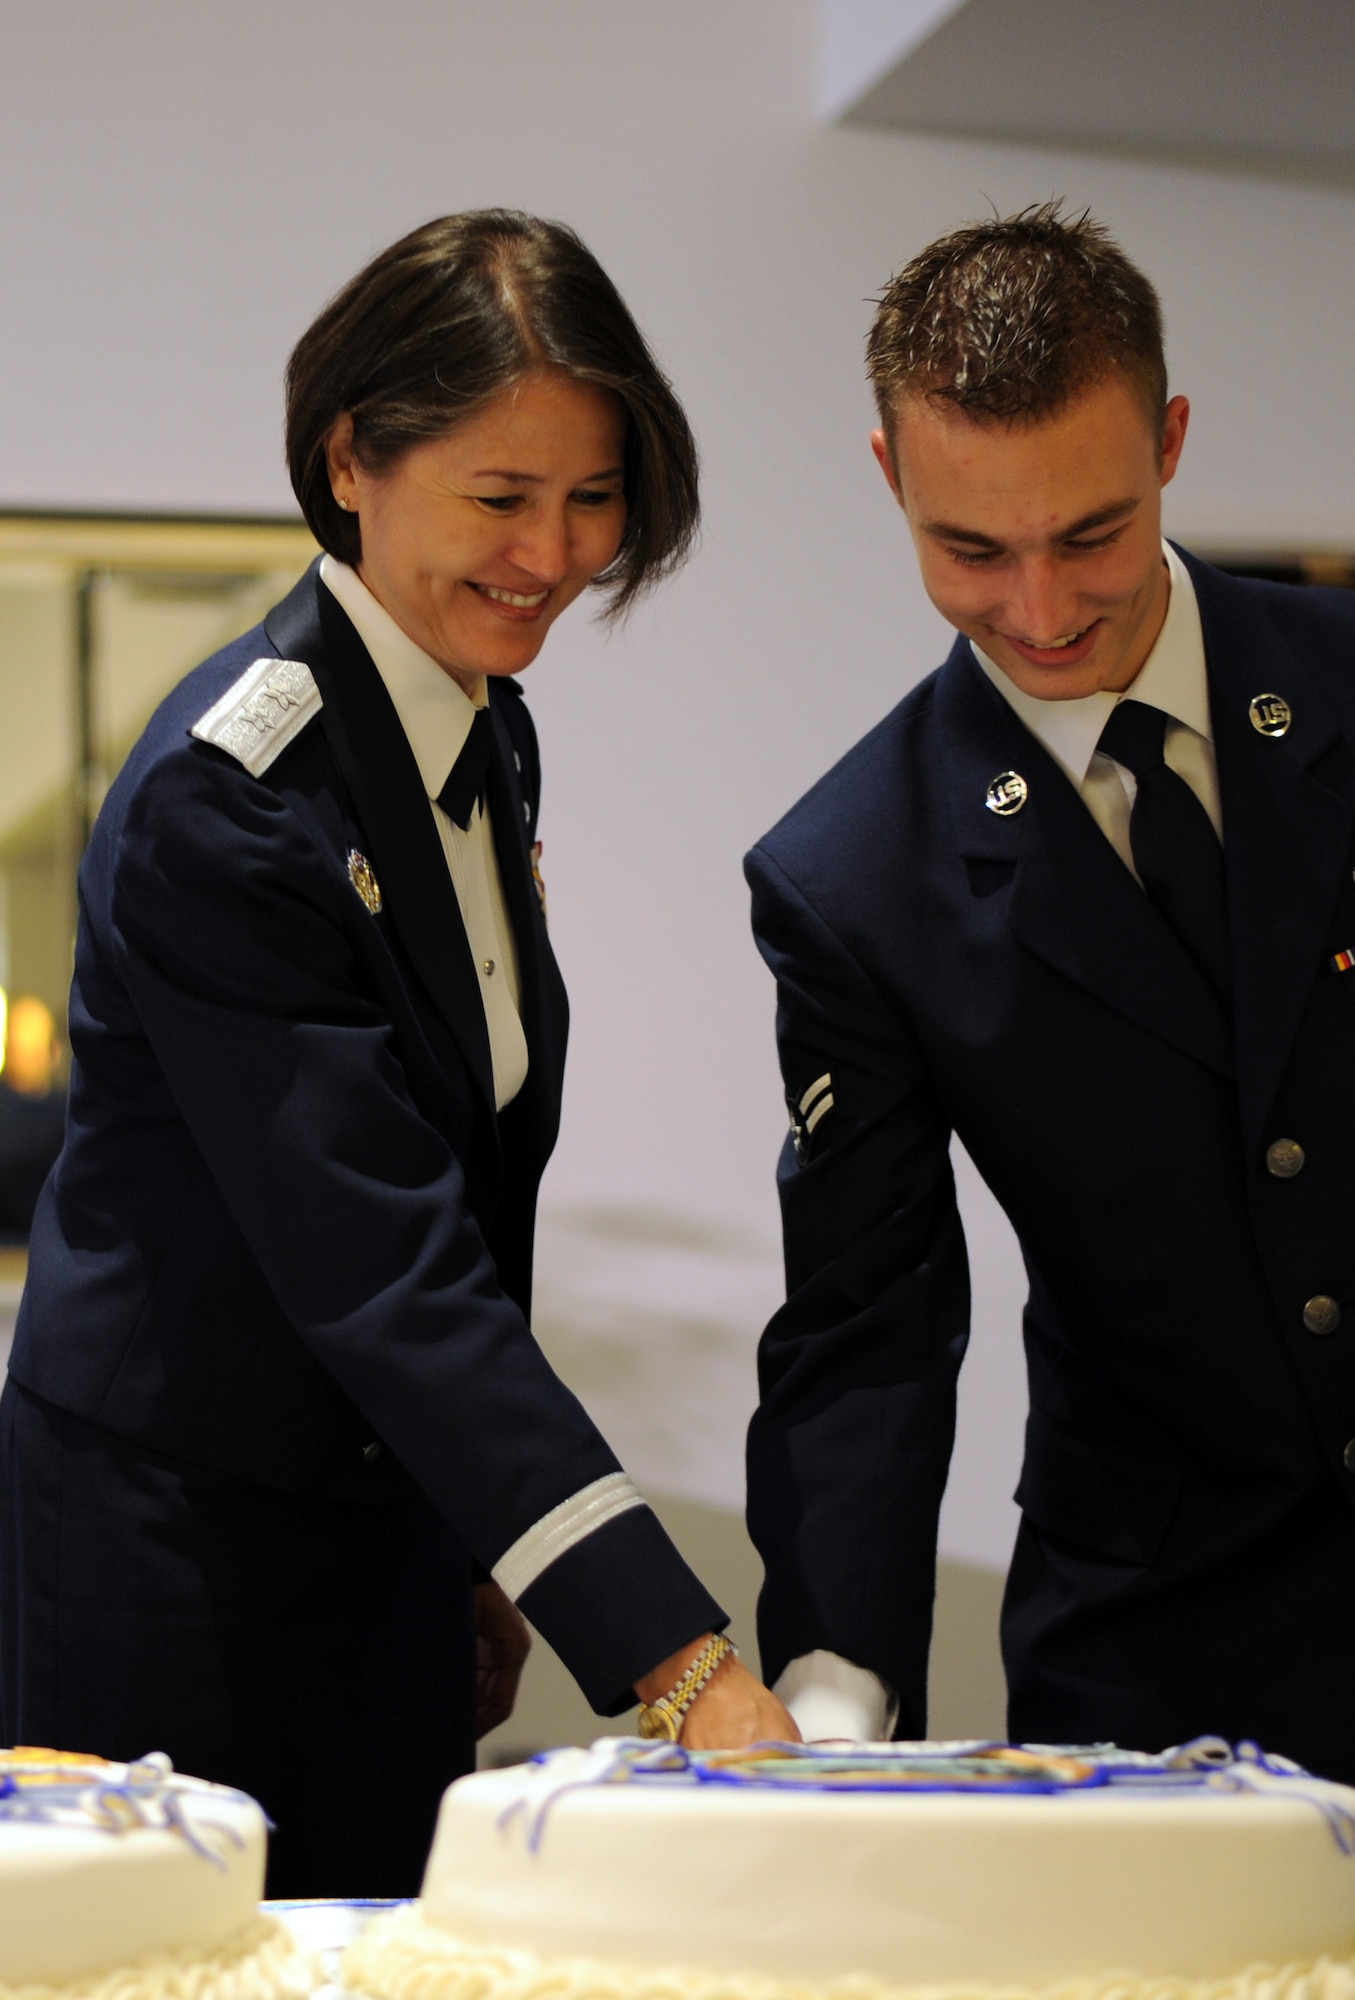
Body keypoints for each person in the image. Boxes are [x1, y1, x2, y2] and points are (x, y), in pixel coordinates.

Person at [743, 205, 1355, 1894]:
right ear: (888, 474)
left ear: (1170, 441)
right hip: (1162, 1649)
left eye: (1092, 533)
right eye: (971, 549)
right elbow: (868, 1325)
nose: (1039, 608)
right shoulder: (846, 877)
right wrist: (831, 1691)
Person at [0, 209, 794, 1896]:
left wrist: (485, 1551)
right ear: (352, 458)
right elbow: (380, 1263)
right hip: (178, 1548)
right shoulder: (232, 800)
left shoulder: (480, 729)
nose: (553, 553)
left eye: (593, 501)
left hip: (379, 1523)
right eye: (500, 499)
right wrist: (677, 1657)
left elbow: (464, 1189)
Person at [0, 996, 66, 1244]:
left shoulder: (67, 1114)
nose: (27, 1054)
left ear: (53, 1051)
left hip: (50, 1246)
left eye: (34, 1047)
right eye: (19, 1046)